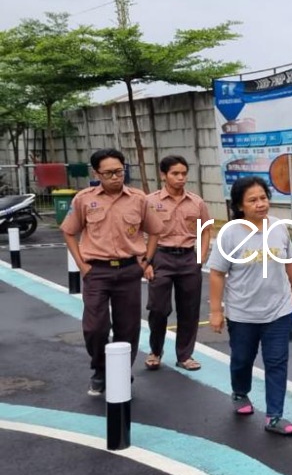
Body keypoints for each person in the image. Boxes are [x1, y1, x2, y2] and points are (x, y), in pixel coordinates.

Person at [62, 148, 163, 395]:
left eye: (119, 171)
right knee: (95, 327)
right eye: (108, 173)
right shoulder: (84, 199)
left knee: (128, 327)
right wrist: (82, 265)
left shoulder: (138, 199)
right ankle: (100, 370)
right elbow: (68, 231)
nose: (115, 177)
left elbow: (155, 230)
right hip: (96, 271)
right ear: (97, 174)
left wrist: (145, 261)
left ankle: (121, 370)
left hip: (129, 271)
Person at [207, 176, 292, 436]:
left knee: (277, 362)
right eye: (253, 200)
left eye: (263, 198)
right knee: (242, 359)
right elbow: (217, 273)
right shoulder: (230, 234)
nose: (261, 204)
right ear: (240, 206)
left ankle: (274, 416)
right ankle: (240, 392)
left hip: (279, 310)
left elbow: (289, 261)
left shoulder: (279, 228)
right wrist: (216, 311)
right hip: (243, 313)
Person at [145, 155, 211, 372]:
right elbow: (139, 233)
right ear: (163, 175)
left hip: (188, 258)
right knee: (158, 309)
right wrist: (145, 262)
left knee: (189, 310)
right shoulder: (150, 201)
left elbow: (206, 230)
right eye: (175, 173)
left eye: (183, 173)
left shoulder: (196, 202)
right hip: (160, 256)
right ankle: (155, 351)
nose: (180, 178)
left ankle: (185, 355)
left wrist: (200, 258)